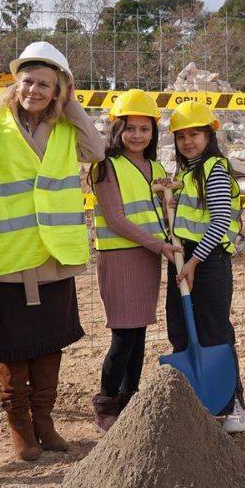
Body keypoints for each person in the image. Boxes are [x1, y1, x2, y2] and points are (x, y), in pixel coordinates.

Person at [0, 41, 103, 460]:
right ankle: (19, 426)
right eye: (28, 81)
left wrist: (72, 107)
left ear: (59, 91)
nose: (34, 90)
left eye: (45, 84)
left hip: (55, 252)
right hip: (9, 251)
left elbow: (96, 152)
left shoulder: (67, 128)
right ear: (16, 83)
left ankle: (44, 419)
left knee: (51, 341)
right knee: (12, 345)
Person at [88, 90, 177, 432]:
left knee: (138, 334)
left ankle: (130, 400)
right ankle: (106, 404)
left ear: (153, 133)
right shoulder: (105, 167)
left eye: (145, 129)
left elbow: (159, 211)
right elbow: (116, 219)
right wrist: (159, 246)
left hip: (147, 257)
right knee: (123, 336)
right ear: (117, 129)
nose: (137, 135)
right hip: (122, 258)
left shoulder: (154, 166)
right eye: (130, 128)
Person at [163, 100, 245, 433]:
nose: (188, 141)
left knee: (214, 332)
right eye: (181, 136)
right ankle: (194, 405)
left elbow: (221, 219)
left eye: (195, 134)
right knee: (180, 330)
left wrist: (196, 262)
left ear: (209, 134)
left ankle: (233, 404)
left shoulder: (214, 168)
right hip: (184, 259)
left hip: (209, 261)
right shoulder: (184, 172)